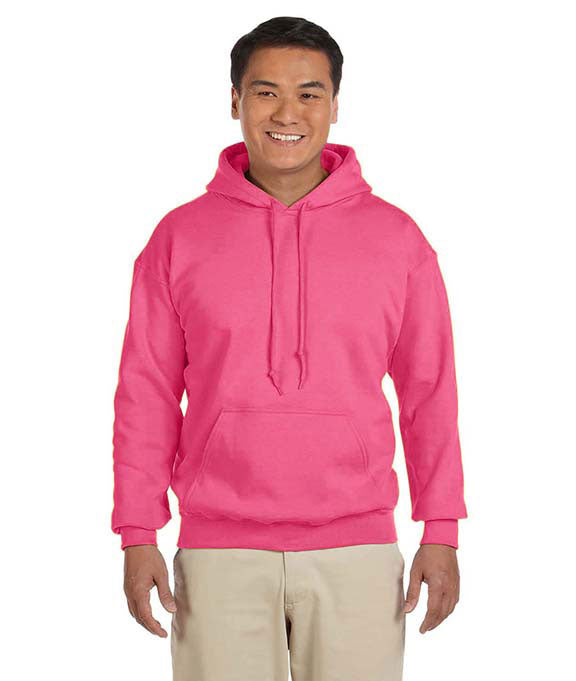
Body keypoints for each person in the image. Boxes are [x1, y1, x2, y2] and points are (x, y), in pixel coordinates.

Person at [111, 16, 468, 681]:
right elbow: (146, 393)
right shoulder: (179, 238)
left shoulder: (397, 240)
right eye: (266, 91)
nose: (287, 112)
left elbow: (430, 391)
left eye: (309, 93)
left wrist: (440, 528)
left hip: (359, 546)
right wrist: (138, 533)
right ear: (235, 101)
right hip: (218, 551)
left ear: (334, 104)